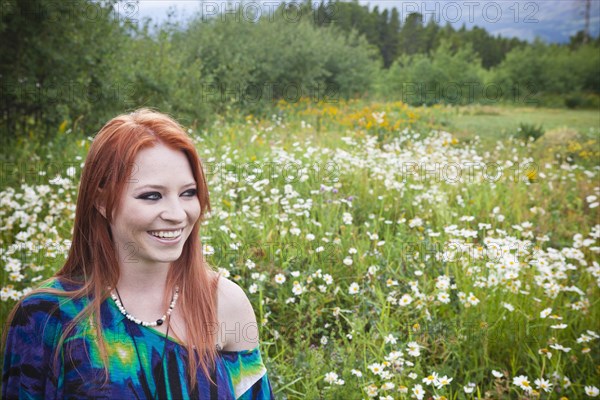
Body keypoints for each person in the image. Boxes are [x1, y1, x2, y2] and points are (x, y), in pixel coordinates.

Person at [2, 109, 274, 399]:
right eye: (151, 195)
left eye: (188, 193)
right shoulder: (46, 315)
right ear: (102, 201)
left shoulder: (225, 303)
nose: (176, 214)